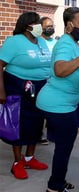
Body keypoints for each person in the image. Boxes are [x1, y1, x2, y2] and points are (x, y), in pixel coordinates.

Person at [36, 7, 79, 192]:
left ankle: (59, 179)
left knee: (65, 145)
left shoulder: (72, 42)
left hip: (63, 104)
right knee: (64, 146)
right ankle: (54, 186)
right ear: (69, 25)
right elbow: (60, 70)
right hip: (58, 105)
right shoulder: (65, 44)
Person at [0, 12, 51, 180]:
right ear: (27, 24)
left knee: (37, 123)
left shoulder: (42, 41)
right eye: (36, 22)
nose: (40, 26)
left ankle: (29, 158)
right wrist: (1, 91)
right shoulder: (14, 42)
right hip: (17, 87)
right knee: (19, 124)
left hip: (39, 89)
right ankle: (17, 162)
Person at [38, 16, 58, 145]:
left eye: (52, 26)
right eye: (47, 26)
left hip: (53, 79)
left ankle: (50, 132)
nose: (50, 28)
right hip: (40, 79)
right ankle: (40, 134)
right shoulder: (37, 41)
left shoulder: (55, 42)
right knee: (40, 109)